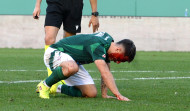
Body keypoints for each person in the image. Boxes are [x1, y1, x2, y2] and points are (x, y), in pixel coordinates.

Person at [37, 32, 136, 101]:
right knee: (72, 67)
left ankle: (57, 88)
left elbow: (107, 71)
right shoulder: (98, 45)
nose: (118, 62)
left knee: (91, 93)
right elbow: (105, 73)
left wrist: (104, 94)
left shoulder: (108, 43)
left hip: (72, 61)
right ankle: (45, 86)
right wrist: (119, 95)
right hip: (55, 52)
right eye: (121, 59)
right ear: (118, 50)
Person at [33, 0, 99, 89]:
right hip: (55, 3)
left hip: (75, 5)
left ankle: (62, 77)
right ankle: (52, 80)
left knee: (68, 44)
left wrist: (94, 14)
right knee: (49, 39)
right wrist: (37, 5)